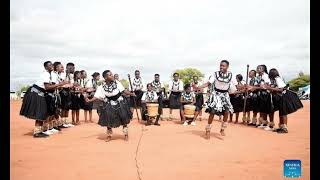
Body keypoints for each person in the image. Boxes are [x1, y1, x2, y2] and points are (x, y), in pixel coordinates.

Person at [20, 61, 68, 138]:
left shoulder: (49, 74)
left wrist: (59, 85)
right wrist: (61, 84)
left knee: (42, 112)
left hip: (39, 93)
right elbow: (47, 87)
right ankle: (37, 132)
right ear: (46, 67)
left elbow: (51, 86)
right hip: (36, 94)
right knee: (40, 112)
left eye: (52, 64)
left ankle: (39, 131)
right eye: (49, 65)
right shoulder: (45, 74)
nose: (52, 66)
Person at [85, 70, 135, 142]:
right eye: (110, 75)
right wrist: (90, 100)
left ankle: (126, 134)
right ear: (105, 77)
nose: (112, 75)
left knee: (123, 117)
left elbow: (123, 91)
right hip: (108, 103)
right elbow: (96, 96)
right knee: (108, 118)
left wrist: (131, 94)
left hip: (119, 102)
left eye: (112, 74)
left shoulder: (117, 82)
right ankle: (109, 135)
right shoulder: (101, 86)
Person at [196, 60, 235, 138]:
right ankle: (208, 130)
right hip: (216, 94)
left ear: (227, 67)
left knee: (227, 111)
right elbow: (208, 83)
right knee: (212, 112)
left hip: (225, 95)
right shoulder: (215, 74)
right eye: (220, 65)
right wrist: (199, 87)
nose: (221, 67)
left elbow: (236, 85)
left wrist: (246, 87)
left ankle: (222, 129)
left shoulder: (230, 75)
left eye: (223, 66)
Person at [263, 68, 303, 133]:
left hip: (284, 97)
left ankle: (284, 128)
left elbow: (282, 89)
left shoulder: (277, 79)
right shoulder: (274, 80)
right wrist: (269, 88)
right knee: (281, 112)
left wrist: (270, 88)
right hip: (280, 98)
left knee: (284, 112)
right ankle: (281, 127)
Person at [59, 62, 75, 127]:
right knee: (63, 107)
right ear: (68, 68)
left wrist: (68, 85)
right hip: (62, 92)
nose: (73, 69)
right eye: (72, 68)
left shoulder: (71, 75)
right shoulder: (62, 74)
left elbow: (72, 84)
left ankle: (65, 122)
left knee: (67, 107)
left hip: (68, 91)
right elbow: (60, 83)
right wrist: (66, 85)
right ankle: (62, 123)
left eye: (73, 68)